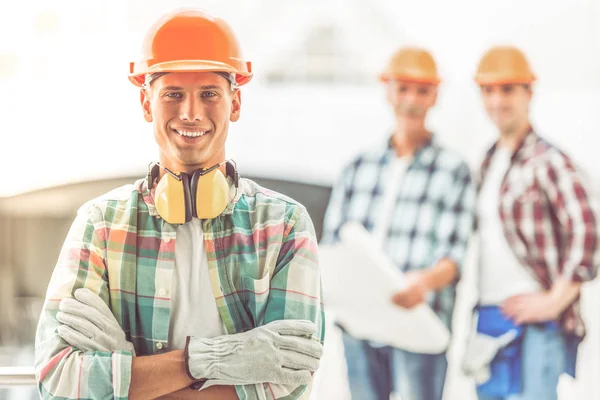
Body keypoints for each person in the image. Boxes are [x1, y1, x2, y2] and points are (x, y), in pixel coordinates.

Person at [34, 9, 325, 400]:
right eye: (173, 94)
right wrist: (204, 360)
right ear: (146, 103)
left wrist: (125, 372)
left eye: (209, 93)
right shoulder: (100, 223)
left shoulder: (285, 224)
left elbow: (291, 382)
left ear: (234, 104)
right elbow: (58, 376)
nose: (191, 112)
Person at [321, 47, 476, 400]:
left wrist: (424, 283)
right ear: (388, 90)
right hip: (360, 325)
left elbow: (455, 255)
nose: (411, 100)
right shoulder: (358, 166)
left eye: (422, 91)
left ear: (434, 96)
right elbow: (333, 245)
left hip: (418, 324)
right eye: (403, 88)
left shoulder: (453, 170)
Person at [469, 45, 599, 400]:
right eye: (489, 90)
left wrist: (554, 301)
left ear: (529, 92)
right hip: (490, 317)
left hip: (538, 323)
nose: (498, 100)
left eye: (508, 89)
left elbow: (588, 230)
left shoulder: (549, 161)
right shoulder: (487, 161)